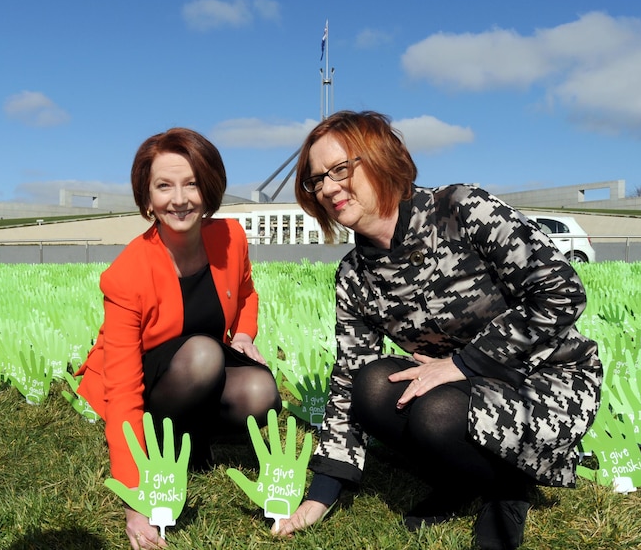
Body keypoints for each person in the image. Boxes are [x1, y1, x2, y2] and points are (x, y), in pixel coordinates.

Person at [274, 111, 601, 550]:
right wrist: (322, 493)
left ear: (382, 158)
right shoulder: (354, 274)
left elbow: (560, 290)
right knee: (370, 385)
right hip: (460, 385)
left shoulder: (461, 208)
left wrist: (466, 363)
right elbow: (350, 372)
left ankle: (507, 487)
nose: (328, 187)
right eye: (317, 179)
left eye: (340, 169)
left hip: (545, 380)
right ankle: (465, 475)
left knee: (435, 414)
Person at [76, 127, 281, 550]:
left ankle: (189, 442)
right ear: (147, 197)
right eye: (164, 186)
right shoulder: (128, 273)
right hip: (150, 379)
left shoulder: (230, 238)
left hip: (199, 370)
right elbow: (124, 388)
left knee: (262, 391)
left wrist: (243, 334)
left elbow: (246, 294)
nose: (180, 198)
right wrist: (134, 502)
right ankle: (161, 445)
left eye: (191, 183)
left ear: (209, 187)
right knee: (204, 354)